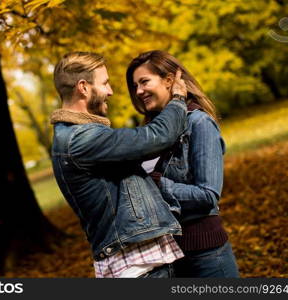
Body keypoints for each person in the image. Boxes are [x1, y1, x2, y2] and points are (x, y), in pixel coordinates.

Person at [50, 51, 188, 278]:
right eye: (105, 83)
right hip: (139, 270)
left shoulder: (76, 135)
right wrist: (178, 98)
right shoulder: (81, 138)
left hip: (140, 265)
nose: (110, 91)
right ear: (83, 87)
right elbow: (158, 136)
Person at [126, 50, 240, 278]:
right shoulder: (152, 132)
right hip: (167, 258)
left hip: (206, 256)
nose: (139, 91)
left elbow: (208, 194)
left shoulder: (199, 123)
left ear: (169, 80)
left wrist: (156, 184)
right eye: (135, 85)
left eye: (144, 82)